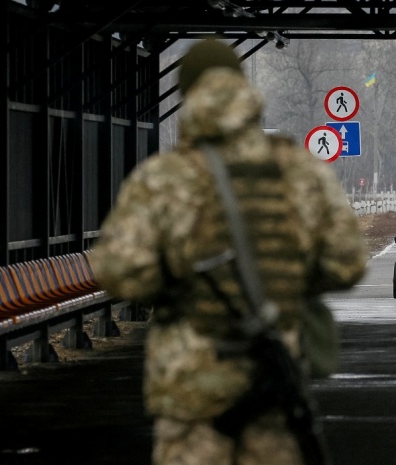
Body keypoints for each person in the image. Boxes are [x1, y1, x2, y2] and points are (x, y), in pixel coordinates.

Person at [88, 39, 367, 465]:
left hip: (189, 385)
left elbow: (121, 271)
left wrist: (178, 280)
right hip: (274, 375)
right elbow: (347, 262)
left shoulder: (164, 177)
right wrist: (287, 281)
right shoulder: (297, 169)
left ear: (187, 92)